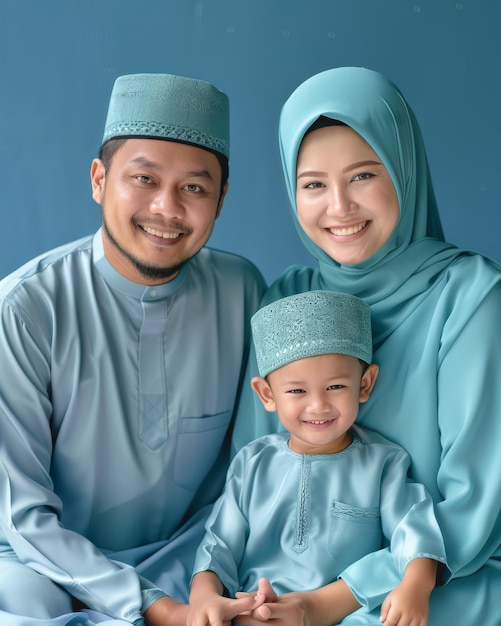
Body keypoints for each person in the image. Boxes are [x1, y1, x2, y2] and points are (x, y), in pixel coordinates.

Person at [231, 67, 501, 625]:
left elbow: (473, 511)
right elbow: (253, 472)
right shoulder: (292, 295)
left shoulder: (471, 296)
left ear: (404, 171)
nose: (339, 207)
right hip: (290, 581)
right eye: (312, 184)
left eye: (362, 176)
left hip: (433, 583)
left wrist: (327, 603)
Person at [0, 73, 266, 626]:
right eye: (143, 178)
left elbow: (249, 468)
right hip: (41, 561)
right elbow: (22, 516)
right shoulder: (25, 307)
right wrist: (153, 607)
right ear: (99, 179)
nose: (166, 208)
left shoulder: (242, 291)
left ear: (221, 198)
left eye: (194, 187)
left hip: (189, 557)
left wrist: (204, 581)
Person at [189, 290, 447, 626]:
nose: (318, 406)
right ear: (267, 395)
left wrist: (415, 586)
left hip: (348, 613)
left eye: (336, 387)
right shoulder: (252, 462)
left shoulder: (384, 463)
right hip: (253, 609)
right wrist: (204, 596)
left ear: (365, 384)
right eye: (297, 391)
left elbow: (412, 531)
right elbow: (219, 543)